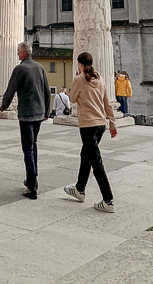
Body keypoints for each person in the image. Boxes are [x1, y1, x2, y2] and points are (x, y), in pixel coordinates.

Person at [64, 51, 118, 214]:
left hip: (87, 124)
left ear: (80, 65)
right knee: (85, 155)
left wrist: (75, 81)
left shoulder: (79, 80)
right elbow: (107, 102)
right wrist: (112, 123)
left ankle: (108, 200)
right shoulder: (100, 79)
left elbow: (72, 99)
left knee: (96, 162)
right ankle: (79, 189)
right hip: (101, 124)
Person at [0, 42, 51, 199]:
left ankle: (32, 185)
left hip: (27, 114)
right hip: (39, 113)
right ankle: (31, 179)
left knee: (27, 148)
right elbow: (47, 90)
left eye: (18, 52)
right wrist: (47, 111)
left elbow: (11, 89)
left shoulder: (20, 69)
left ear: (22, 54)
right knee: (33, 146)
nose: (17, 54)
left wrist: (4, 106)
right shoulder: (39, 67)